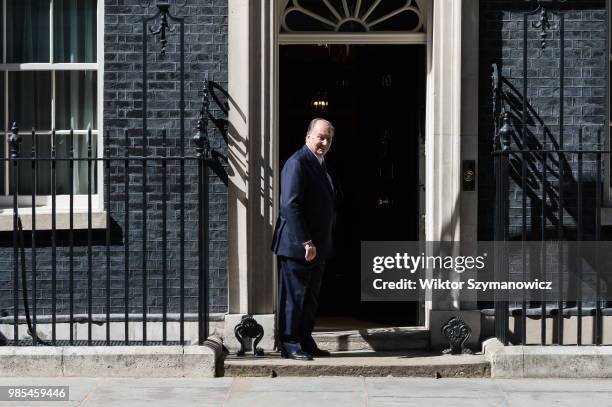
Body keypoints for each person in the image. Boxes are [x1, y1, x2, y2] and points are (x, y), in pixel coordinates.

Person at [271, 118, 341, 360]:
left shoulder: (321, 164)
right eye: (320, 136)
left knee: (309, 299)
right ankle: (289, 343)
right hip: (298, 246)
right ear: (308, 136)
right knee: (294, 297)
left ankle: (304, 339)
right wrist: (306, 242)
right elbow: (290, 206)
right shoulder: (297, 163)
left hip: (318, 246)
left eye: (328, 138)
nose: (324, 142)